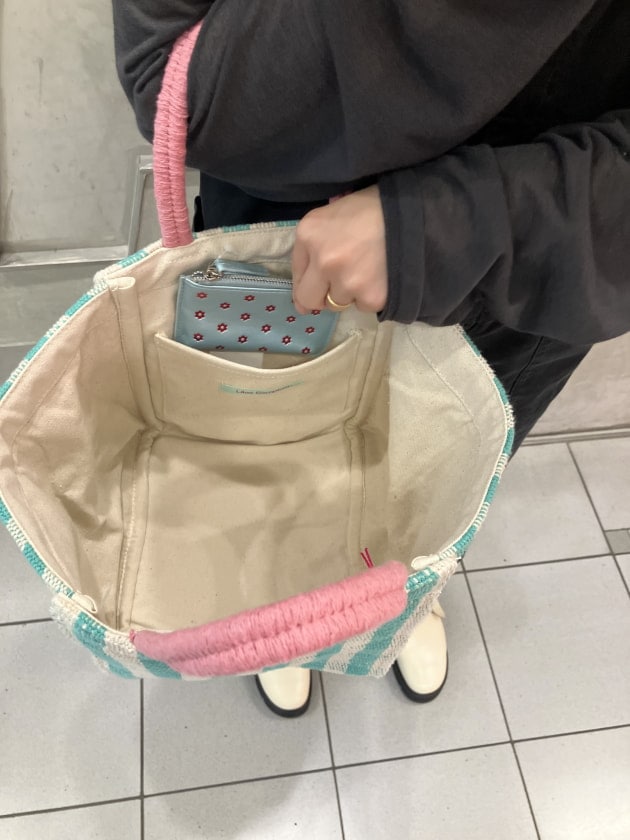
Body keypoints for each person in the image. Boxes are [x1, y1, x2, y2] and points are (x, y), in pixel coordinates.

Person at [113, 0, 630, 716]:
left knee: (433, 481)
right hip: (288, 225)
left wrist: (451, 223)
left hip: (547, 249)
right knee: (264, 450)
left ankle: (401, 585)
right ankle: (276, 590)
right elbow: (177, 85)